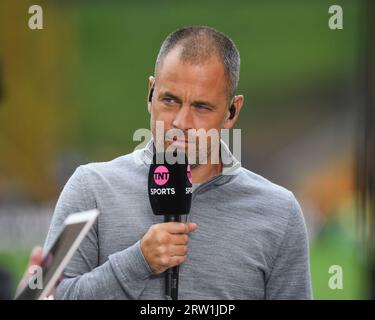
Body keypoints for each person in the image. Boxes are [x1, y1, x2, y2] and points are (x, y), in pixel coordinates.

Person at [44, 26, 312, 299]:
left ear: (232, 111)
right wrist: (137, 262)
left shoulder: (279, 213)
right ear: (151, 93)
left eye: (201, 107)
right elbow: (48, 295)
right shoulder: (90, 189)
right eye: (170, 100)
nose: (181, 123)